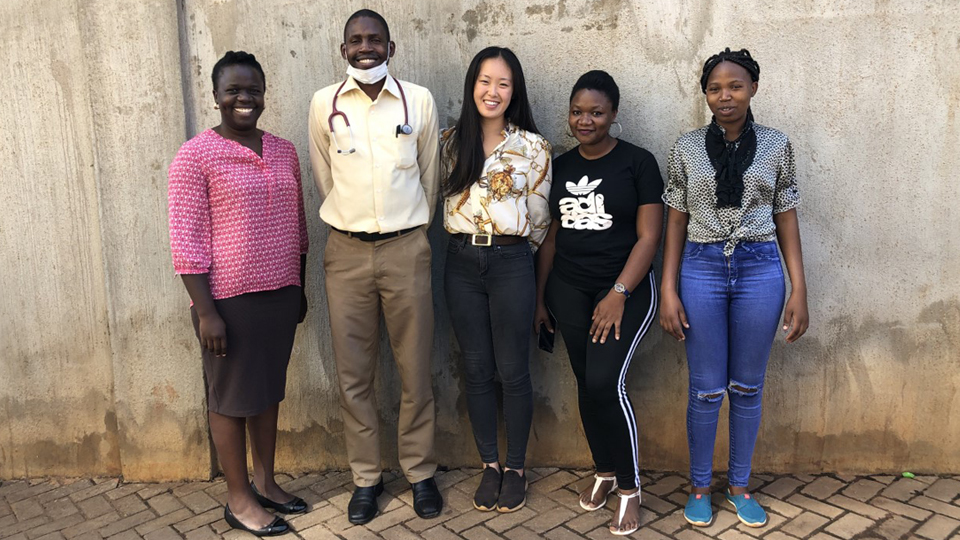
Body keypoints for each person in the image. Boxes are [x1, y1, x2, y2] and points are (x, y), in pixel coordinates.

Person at [659, 48, 810, 528]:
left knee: (747, 387)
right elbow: (675, 220)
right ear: (705, 93)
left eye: (735, 86)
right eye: (715, 88)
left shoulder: (775, 144)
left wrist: (798, 287)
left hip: (760, 268)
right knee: (705, 390)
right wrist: (667, 287)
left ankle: (740, 485)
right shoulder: (685, 147)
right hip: (700, 268)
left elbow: (785, 214)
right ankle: (700, 486)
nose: (725, 96)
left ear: (754, 88)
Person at [307, 9, 442, 525]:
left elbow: (429, 176)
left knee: (414, 368)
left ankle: (420, 472)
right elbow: (325, 176)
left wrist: (408, 231)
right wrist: (355, 223)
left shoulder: (418, 100)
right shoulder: (324, 104)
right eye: (355, 40)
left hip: (407, 249)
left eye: (375, 39)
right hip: (345, 252)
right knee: (354, 374)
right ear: (344, 50)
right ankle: (366, 478)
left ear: (392, 46)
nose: (365, 47)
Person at [167, 51, 309, 537]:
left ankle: (267, 483)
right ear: (216, 97)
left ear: (264, 94)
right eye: (233, 90)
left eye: (253, 90)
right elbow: (186, 240)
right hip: (226, 302)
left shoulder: (285, 150)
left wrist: (300, 285)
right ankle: (239, 499)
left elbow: (299, 224)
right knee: (230, 398)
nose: (244, 98)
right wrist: (206, 312)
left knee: (267, 393)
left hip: (280, 295)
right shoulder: (195, 156)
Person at [534, 71, 663, 536]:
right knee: (586, 383)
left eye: (596, 112)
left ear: (613, 115)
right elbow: (550, 238)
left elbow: (651, 237)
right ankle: (604, 471)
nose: (584, 120)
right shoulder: (560, 166)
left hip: (624, 291)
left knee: (608, 382)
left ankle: (630, 488)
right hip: (568, 288)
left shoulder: (639, 163)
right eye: (577, 111)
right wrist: (540, 298)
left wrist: (618, 294)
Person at [441, 46, 552, 514]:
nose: (493, 91)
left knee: (513, 370)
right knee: (476, 368)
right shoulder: (449, 142)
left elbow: (542, 221)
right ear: (472, 85)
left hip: (511, 264)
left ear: (515, 91)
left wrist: (529, 278)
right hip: (460, 264)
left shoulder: (533, 147)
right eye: (486, 81)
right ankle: (489, 464)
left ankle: (516, 468)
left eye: (503, 83)